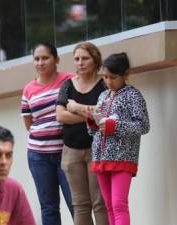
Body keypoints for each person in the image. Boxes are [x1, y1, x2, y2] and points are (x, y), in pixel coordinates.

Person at [87, 53, 150, 225]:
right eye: (105, 77)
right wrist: (92, 123)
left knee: (118, 204)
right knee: (108, 206)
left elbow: (143, 126)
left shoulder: (133, 96)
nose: (108, 81)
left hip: (123, 157)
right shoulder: (103, 96)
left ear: (125, 75)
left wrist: (113, 126)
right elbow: (94, 132)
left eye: (112, 77)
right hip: (101, 158)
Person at [55, 42, 108, 225]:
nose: (80, 63)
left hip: (98, 150)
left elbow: (107, 113)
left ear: (95, 60)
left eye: (85, 58)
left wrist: (77, 108)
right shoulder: (67, 85)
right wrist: (91, 115)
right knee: (80, 204)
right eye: (77, 59)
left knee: (100, 203)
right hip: (71, 151)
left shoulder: (103, 85)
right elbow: (60, 116)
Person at [21, 43, 73, 225]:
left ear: (56, 60)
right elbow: (29, 123)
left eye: (45, 58)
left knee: (77, 204)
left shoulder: (69, 80)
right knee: (49, 207)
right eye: (37, 59)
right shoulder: (28, 89)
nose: (40, 62)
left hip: (67, 154)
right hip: (38, 156)